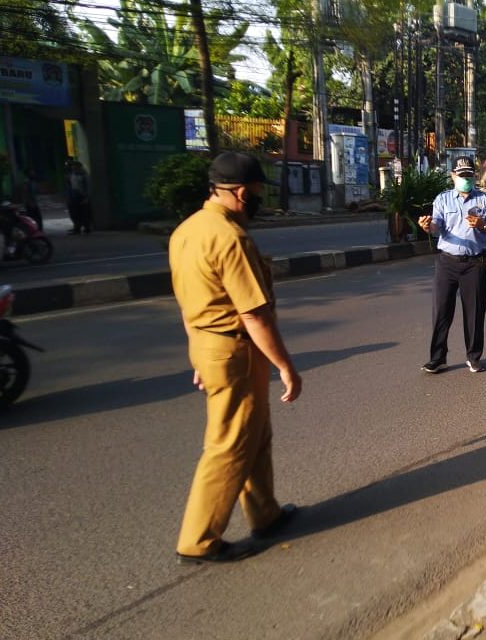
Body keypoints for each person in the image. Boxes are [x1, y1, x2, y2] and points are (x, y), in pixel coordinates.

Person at [169, 152, 302, 564]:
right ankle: (198, 539)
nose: (258, 203)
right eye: (258, 195)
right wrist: (286, 366)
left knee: (255, 434)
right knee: (229, 444)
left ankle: (266, 513)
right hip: (236, 347)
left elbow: (188, 302)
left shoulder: (187, 231)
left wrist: (198, 356)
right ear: (242, 193)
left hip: (207, 342)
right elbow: (254, 313)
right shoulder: (230, 238)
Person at [418, 156, 486, 374]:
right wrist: (427, 226)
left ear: (474, 176)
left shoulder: (484, 200)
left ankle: (474, 356)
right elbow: (436, 225)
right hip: (447, 262)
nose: (465, 179)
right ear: (453, 176)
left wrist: (483, 225)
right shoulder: (443, 199)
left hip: (474, 264)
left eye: (469, 175)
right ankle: (438, 358)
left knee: (475, 312)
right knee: (441, 311)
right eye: (461, 175)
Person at [66, 161, 92, 234]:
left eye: (75, 166)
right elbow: (69, 186)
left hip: (81, 195)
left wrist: (87, 197)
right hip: (73, 196)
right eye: (72, 166)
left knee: (84, 212)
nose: (73, 167)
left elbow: (88, 187)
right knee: (74, 213)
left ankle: (86, 227)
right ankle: (77, 227)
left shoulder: (84, 175)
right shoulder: (71, 175)